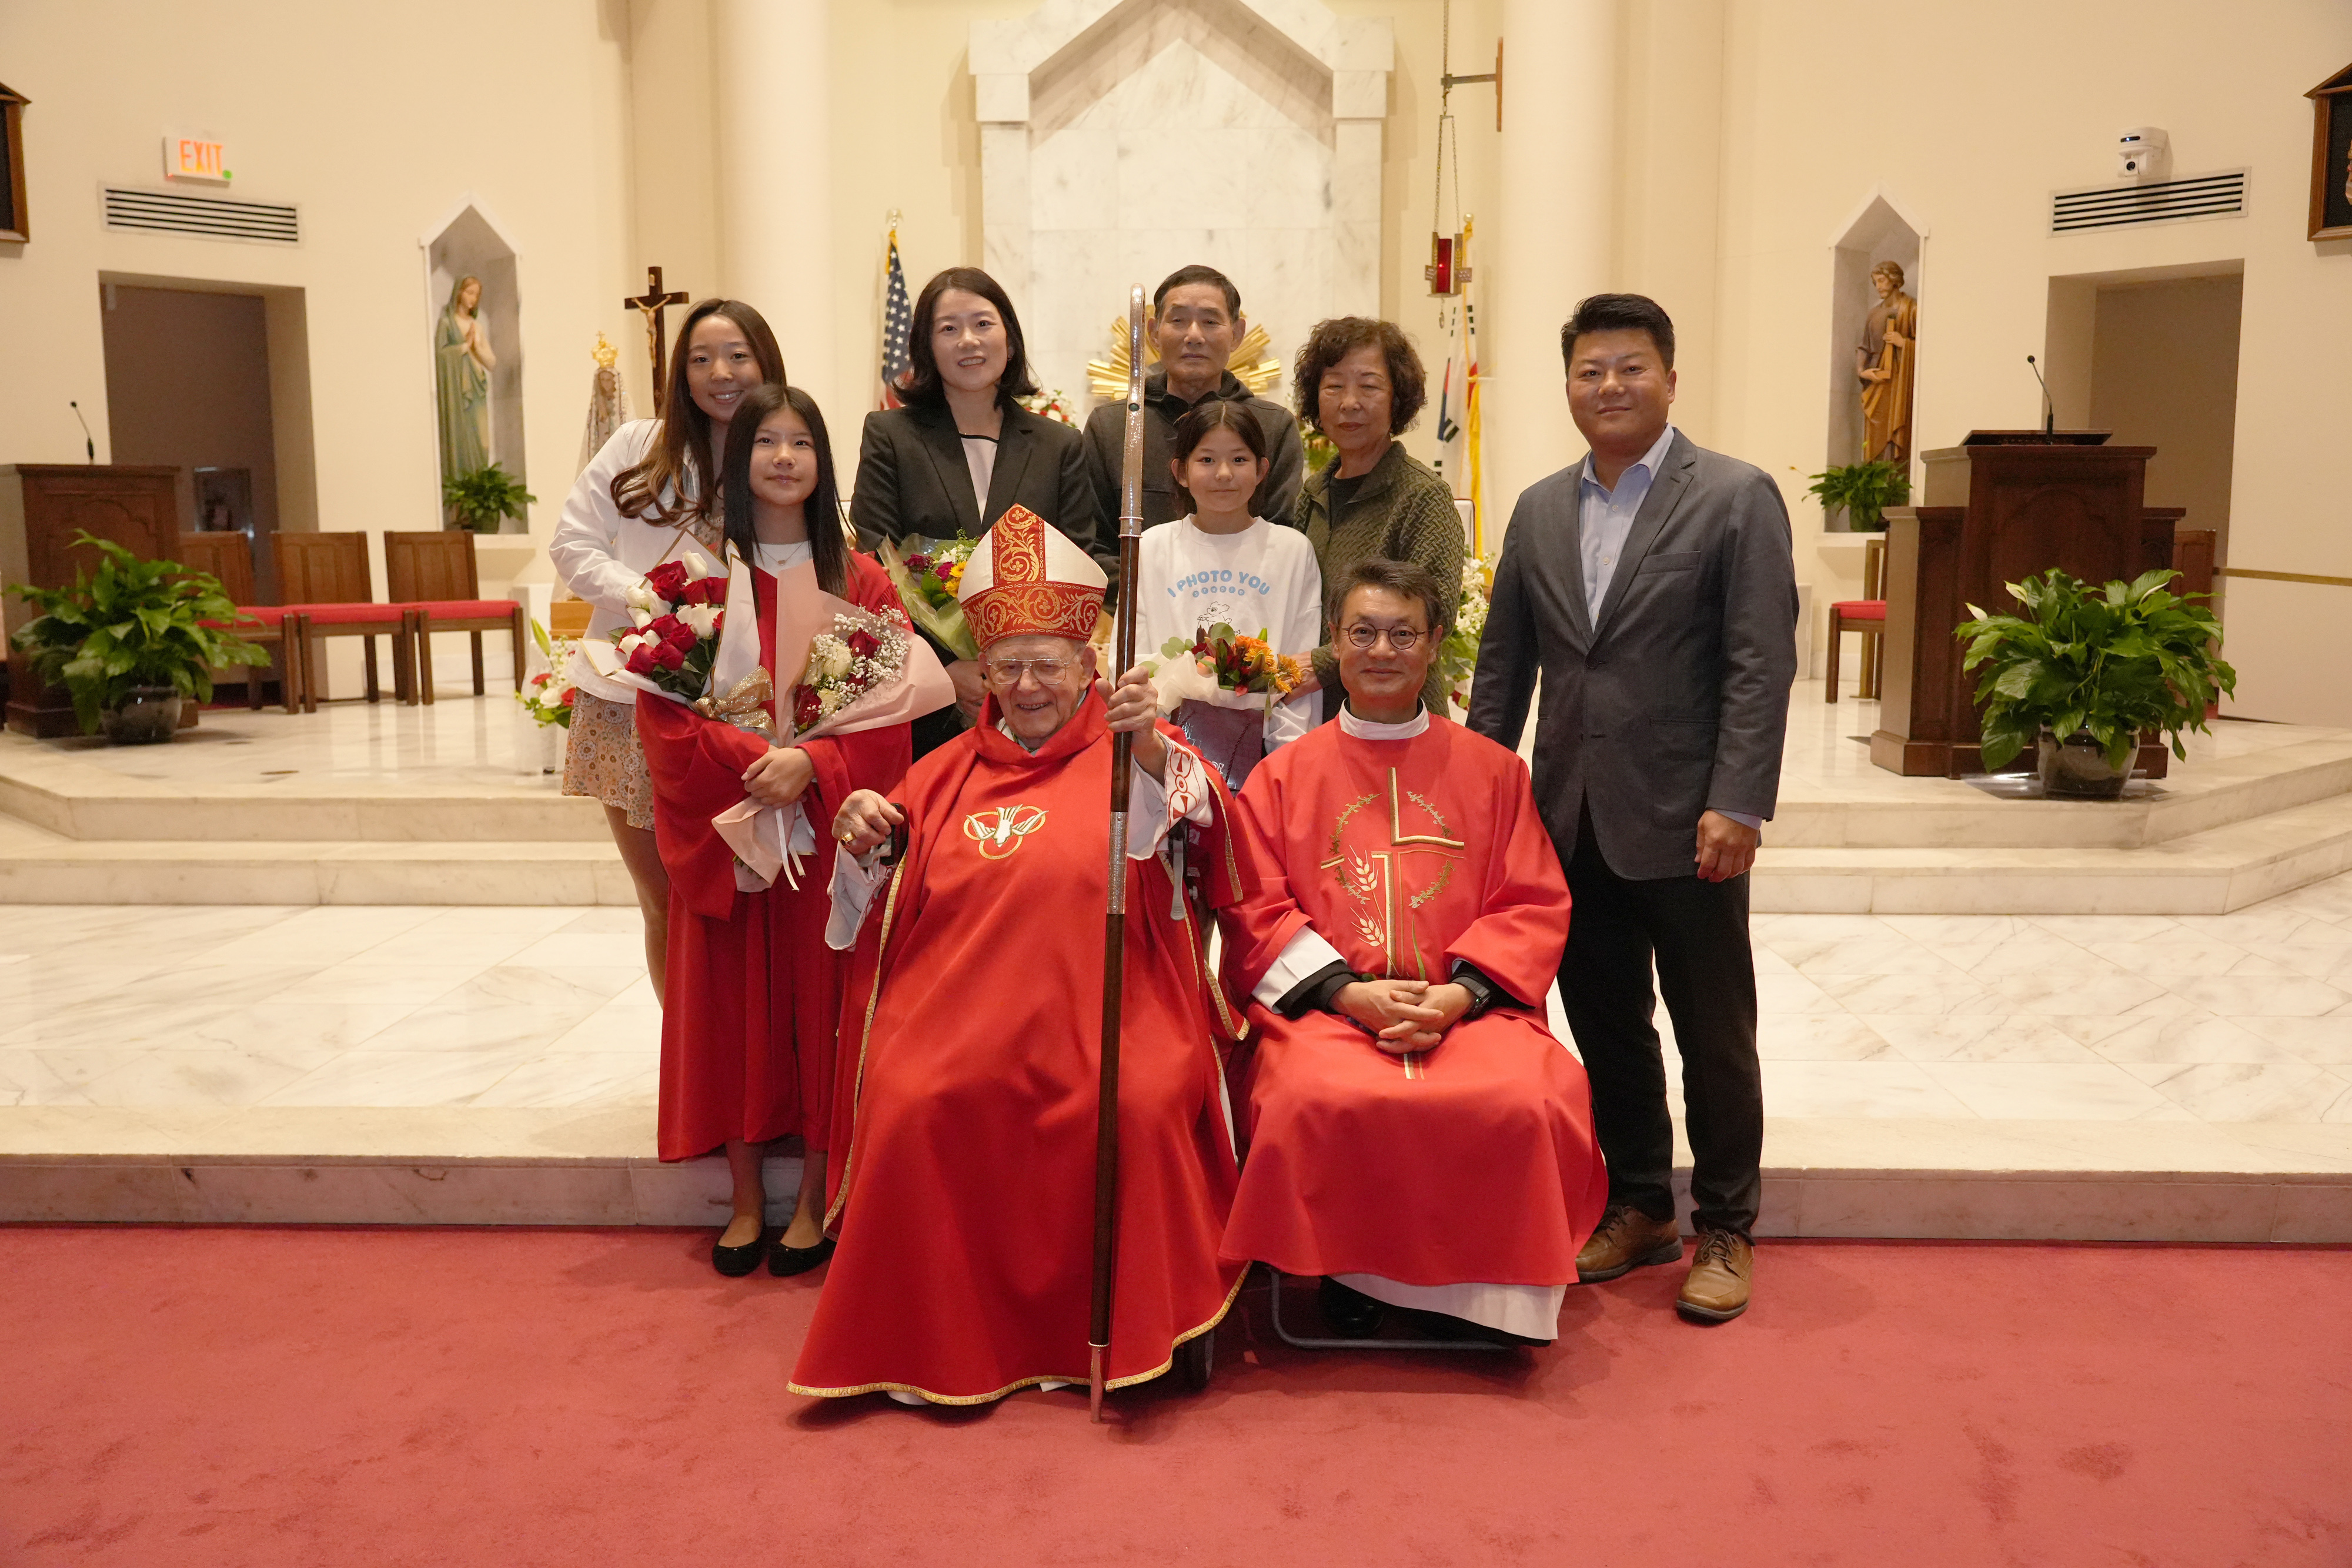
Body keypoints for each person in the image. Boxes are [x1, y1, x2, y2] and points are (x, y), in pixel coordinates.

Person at [790, 506, 1249, 1406]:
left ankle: (1119, 1327)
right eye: (1008, 666)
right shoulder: (942, 772)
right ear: (983, 674)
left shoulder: (1135, 757)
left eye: (1048, 664)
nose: (1028, 684)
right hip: (954, 1020)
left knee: (1137, 1107)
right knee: (915, 1102)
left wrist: (1148, 749)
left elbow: (1205, 823)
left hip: (1116, 1013)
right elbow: (869, 907)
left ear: (1089, 665)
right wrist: (865, 835)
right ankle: (942, 1337)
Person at [1465, 293, 1798, 1324]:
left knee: (1713, 1032)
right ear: (1568, 386)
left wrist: (1738, 800)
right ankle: (1644, 1201)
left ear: (1670, 377)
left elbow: (1759, 662)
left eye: (1630, 367)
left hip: (1691, 820)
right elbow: (1504, 666)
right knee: (1607, 1023)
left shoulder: (1735, 496)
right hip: (1569, 818)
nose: (1609, 386)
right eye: (1590, 371)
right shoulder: (1538, 509)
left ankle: (1728, 1223)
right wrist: (1482, 796)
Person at [1217, 559, 1608, 1344]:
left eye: (1403, 634)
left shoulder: (1495, 771)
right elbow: (1254, 907)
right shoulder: (1280, 777)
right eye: (1362, 632)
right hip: (1328, 1012)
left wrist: (1458, 996)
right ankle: (1349, 1273)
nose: (1381, 651)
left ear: (1434, 643)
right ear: (1335, 640)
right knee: (1310, 1098)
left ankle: (1495, 1297)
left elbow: (1531, 900)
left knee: (1528, 1097)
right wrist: (1347, 993)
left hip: (1468, 1007)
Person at [625, 383, 934, 1277]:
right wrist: (753, 758)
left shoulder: (860, 581)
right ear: (739, 459)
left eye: (802, 441)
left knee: (822, 1004)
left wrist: (816, 765)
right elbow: (662, 713)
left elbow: (890, 720)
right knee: (733, 1008)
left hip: (822, 835)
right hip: (728, 832)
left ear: (823, 463)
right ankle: (744, 1197)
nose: (785, 457)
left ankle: (812, 1197)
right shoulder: (692, 582)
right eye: (766, 441)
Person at [550, 298, 786, 1001]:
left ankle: (748, 1054)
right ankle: (687, 1059)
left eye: (738, 356)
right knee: (668, 902)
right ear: (681, 373)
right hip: (634, 702)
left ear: (766, 363)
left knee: (751, 903)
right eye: (702, 359)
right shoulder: (637, 446)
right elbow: (571, 543)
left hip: (748, 717)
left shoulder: (784, 450)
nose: (721, 373)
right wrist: (651, 601)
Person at [850, 266, 1104, 757]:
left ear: (1009, 338)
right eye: (949, 328)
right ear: (926, 347)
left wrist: (1019, 668)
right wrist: (944, 668)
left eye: (983, 324)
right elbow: (875, 566)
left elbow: (1079, 563)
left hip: (1037, 699)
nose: (968, 340)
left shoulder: (1059, 445)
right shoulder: (891, 435)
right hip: (926, 703)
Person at [1132, 400, 1322, 787]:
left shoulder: (1291, 550)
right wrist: (1156, 748)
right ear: (1180, 471)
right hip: (1164, 753)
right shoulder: (1152, 547)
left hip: (1266, 759)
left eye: (1239, 459)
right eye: (1206, 460)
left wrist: (1286, 765)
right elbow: (1133, 659)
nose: (1223, 474)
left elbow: (1299, 670)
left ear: (1262, 470)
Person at [1291, 317, 1463, 720]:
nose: (1350, 402)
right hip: (1314, 714)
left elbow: (1432, 614)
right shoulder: (1312, 493)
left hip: (1399, 714)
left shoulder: (1422, 494)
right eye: (1334, 386)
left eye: (1369, 386)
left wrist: (1321, 662)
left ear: (1397, 399)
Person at [1080, 263, 1305, 533]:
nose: (1194, 336)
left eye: (1210, 322)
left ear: (1237, 334)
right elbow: (1092, 540)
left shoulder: (1273, 425)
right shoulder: (1112, 425)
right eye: (1178, 321)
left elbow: (1281, 536)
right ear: (1153, 332)